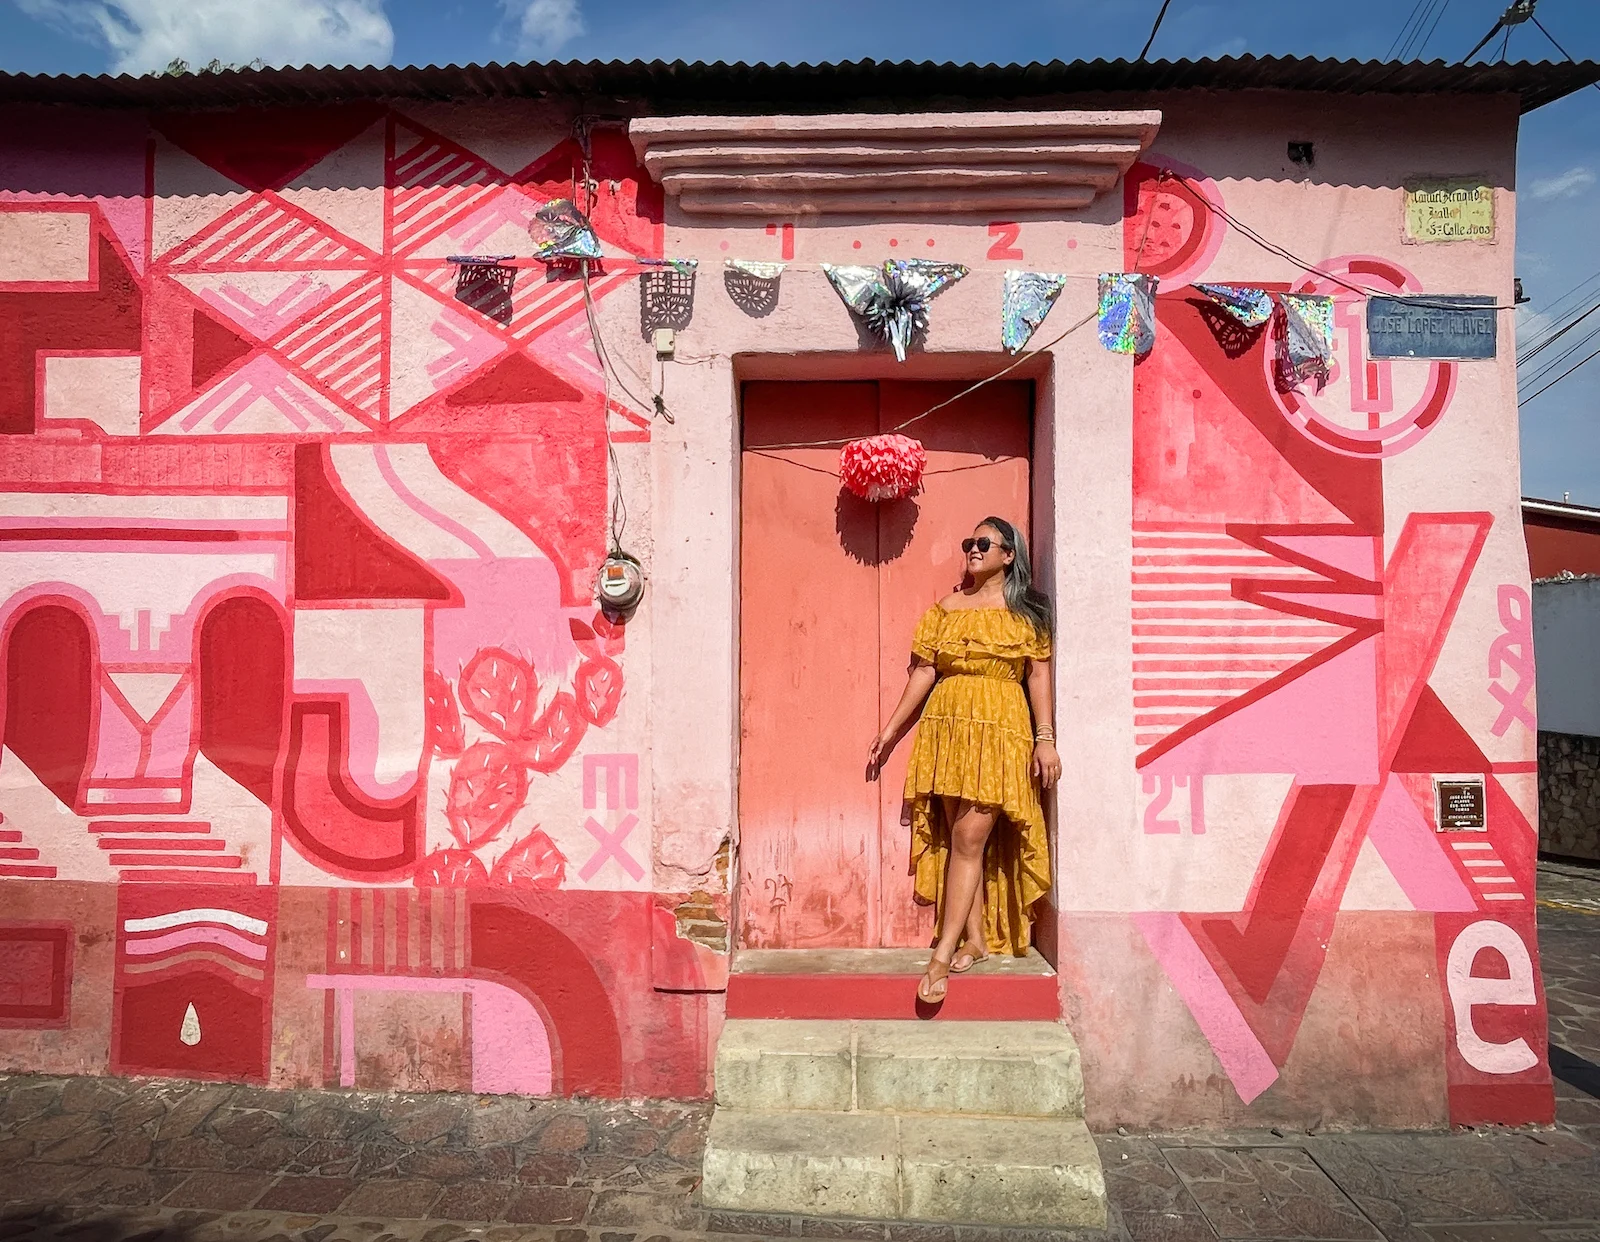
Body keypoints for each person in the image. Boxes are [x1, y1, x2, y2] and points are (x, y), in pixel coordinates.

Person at [867, 517, 1058, 1004]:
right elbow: (925, 672)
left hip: (1000, 729)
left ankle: (940, 957)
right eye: (968, 542)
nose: (972, 549)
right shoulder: (947, 609)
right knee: (958, 838)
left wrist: (1045, 738)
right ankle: (974, 938)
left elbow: (1037, 678)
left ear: (1009, 554)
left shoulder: (1027, 613)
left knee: (970, 839)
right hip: (947, 727)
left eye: (983, 543)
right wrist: (890, 730)